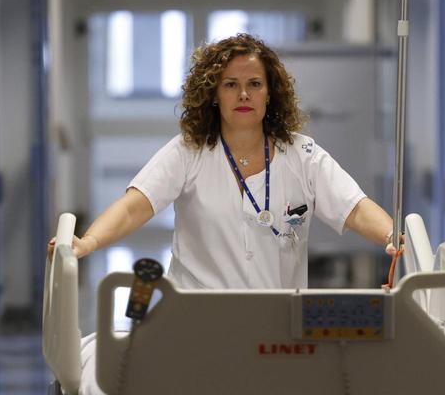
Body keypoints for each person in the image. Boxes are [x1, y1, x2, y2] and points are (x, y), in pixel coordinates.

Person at [48, 33, 395, 287]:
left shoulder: (303, 155)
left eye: (254, 83)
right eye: (230, 84)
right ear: (213, 94)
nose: (243, 94)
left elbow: (355, 207)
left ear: (270, 93)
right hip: (199, 319)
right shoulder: (189, 151)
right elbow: (134, 206)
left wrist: (392, 235)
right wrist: (87, 242)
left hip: (277, 324)